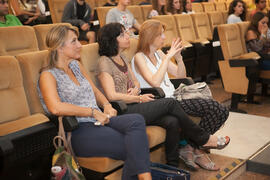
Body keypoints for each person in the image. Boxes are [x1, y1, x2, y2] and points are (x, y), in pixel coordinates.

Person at [97, 22, 230, 169]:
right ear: (112, 40)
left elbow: (136, 82)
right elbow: (111, 95)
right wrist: (138, 97)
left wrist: (136, 89)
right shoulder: (105, 61)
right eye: (122, 34)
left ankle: (172, 166)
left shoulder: (122, 57)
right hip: (123, 109)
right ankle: (203, 139)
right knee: (170, 103)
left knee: (172, 121)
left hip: (136, 102)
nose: (127, 35)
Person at [37, 25, 152, 180]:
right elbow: (55, 108)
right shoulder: (48, 75)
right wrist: (92, 112)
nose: (79, 45)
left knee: (137, 120)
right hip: (78, 130)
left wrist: (107, 105)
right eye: (74, 41)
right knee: (133, 145)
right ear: (59, 48)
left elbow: (96, 92)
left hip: (98, 120)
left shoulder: (76, 66)